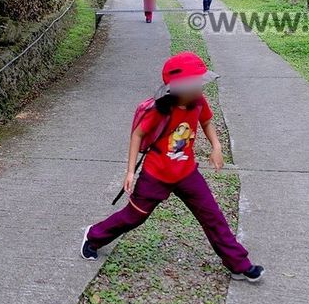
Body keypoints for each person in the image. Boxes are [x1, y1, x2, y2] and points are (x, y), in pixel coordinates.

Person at [79, 51, 264, 283]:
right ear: (179, 87)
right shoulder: (160, 109)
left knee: (212, 216)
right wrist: (129, 172)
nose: (201, 88)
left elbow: (206, 121)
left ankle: (239, 264)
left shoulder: (198, 102)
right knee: (134, 216)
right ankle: (93, 236)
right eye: (196, 84)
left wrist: (216, 146)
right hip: (155, 174)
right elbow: (138, 134)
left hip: (187, 173)